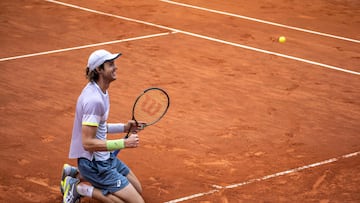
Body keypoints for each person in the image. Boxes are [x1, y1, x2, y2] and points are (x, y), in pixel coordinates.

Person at [61, 49, 145, 203]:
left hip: (106, 158)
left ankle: (77, 174)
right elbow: (88, 143)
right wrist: (123, 143)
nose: (116, 67)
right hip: (95, 164)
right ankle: (78, 188)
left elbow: (99, 128)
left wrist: (124, 127)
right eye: (110, 64)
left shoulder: (101, 91)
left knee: (138, 190)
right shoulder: (94, 100)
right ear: (99, 69)